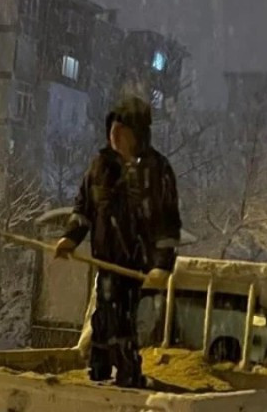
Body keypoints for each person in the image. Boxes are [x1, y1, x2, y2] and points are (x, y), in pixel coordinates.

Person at [54, 95, 182, 388]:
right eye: (112, 129)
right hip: (106, 259)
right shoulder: (100, 166)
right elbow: (83, 209)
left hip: (137, 265)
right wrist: (70, 238)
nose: (115, 135)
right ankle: (99, 369)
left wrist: (162, 265)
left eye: (122, 130)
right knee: (104, 311)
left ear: (138, 134)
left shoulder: (156, 171)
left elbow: (167, 223)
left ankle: (127, 372)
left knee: (122, 316)